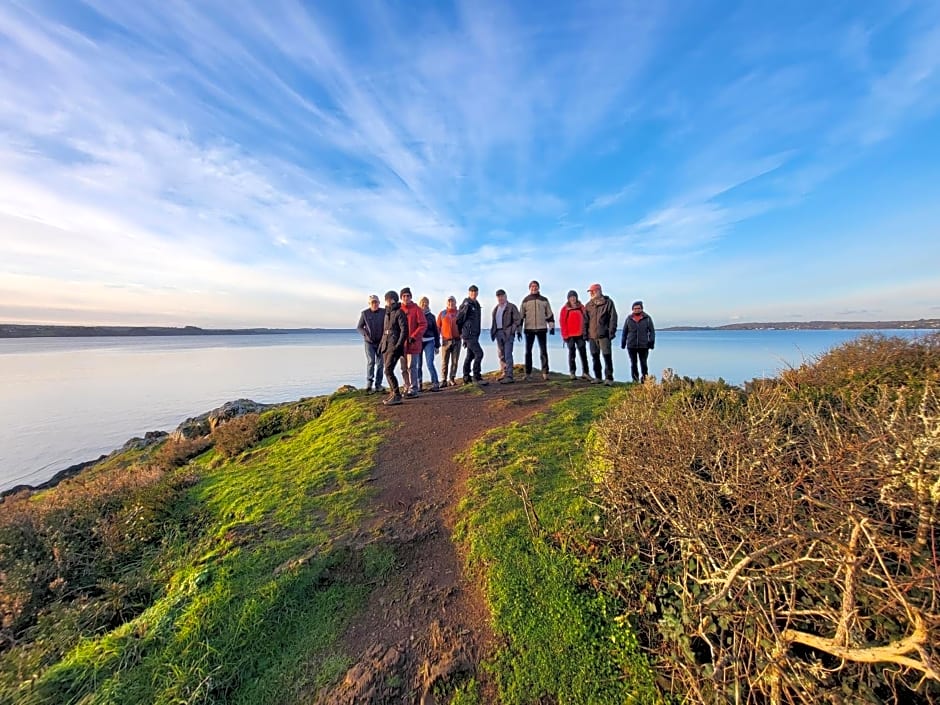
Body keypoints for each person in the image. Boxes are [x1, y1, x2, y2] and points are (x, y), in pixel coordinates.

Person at [583, 283, 618, 386]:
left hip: (604, 335)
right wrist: (585, 333)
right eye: (590, 292)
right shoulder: (588, 305)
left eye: (593, 291)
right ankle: (598, 377)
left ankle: (609, 378)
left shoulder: (608, 303)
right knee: (595, 357)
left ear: (599, 291)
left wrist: (611, 332)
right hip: (592, 336)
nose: (591, 293)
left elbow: (613, 318)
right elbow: (585, 321)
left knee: (607, 357)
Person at [519, 280, 555, 381]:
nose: (534, 288)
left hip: (541, 328)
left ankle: (545, 372)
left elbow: (549, 314)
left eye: (535, 286)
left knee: (543, 351)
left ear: (538, 288)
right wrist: (518, 330)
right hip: (529, 329)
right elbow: (521, 316)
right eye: (532, 287)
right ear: (529, 288)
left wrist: (551, 326)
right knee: (528, 352)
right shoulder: (525, 300)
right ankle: (528, 373)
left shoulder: (544, 300)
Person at [379, 290, 409, 406]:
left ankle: (397, 394)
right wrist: (381, 344)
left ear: (392, 300)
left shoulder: (399, 313)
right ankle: (393, 393)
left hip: (394, 346)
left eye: (387, 299)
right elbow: (385, 331)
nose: (385, 302)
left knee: (388, 370)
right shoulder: (387, 313)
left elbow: (404, 330)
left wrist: (398, 345)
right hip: (386, 345)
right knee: (387, 370)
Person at [456, 284, 487, 385]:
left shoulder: (476, 304)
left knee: (470, 355)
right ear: (469, 293)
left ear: (477, 293)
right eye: (472, 291)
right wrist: (462, 333)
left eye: (475, 291)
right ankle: (476, 376)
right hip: (468, 334)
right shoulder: (467, 304)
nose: (474, 293)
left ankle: (466, 376)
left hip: (475, 334)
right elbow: (459, 319)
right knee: (479, 354)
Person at [399, 287, 427, 397]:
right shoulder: (399, 309)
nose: (406, 298)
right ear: (401, 297)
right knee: (403, 367)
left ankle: (414, 388)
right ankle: (406, 386)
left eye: (408, 296)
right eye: (404, 296)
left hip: (413, 343)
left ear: (411, 297)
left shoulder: (417, 309)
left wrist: (414, 336)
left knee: (412, 367)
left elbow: (423, 324)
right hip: (401, 344)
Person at [490, 289, 522, 384]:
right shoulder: (496, 309)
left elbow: (518, 320)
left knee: (508, 354)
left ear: (505, 296)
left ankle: (509, 376)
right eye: (498, 296)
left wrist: (512, 330)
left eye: (502, 296)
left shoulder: (511, 307)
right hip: (498, 333)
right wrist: (493, 332)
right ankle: (504, 372)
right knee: (501, 355)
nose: (500, 298)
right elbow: (494, 322)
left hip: (508, 334)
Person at [559, 290, 590, 381]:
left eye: (574, 296)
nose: (572, 298)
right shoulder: (565, 309)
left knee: (583, 353)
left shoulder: (582, 307)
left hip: (580, 334)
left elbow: (586, 319)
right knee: (572, 354)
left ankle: (585, 372)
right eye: (571, 297)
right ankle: (572, 372)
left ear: (576, 297)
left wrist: (586, 332)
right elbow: (562, 322)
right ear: (568, 298)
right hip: (570, 335)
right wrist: (565, 335)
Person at [357, 294, 385, 393]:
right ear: (369, 303)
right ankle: (369, 385)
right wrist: (365, 335)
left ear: (379, 303)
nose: (375, 304)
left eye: (376, 302)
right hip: (369, 342)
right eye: (373, 302)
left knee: (381, 364)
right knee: (371, 362)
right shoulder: (364, 313)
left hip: (381, 342)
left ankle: (378, 385)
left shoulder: (384, 312)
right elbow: (359, 327)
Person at [621, 300, 655, 383]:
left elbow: (652, 331)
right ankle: (635, 380)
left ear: (642, 309)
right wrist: (623, 343)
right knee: (633, 363)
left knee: (644, 363)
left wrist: (651, 342)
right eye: (635, 308)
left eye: (638, 308)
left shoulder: (647, 318)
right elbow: (624, 331)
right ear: (632, 309)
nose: (637, 310)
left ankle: (645, 380)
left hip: (643, 345)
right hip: (631, 345)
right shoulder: (629, 319)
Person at [418, 296, 441, 392]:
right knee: (418, 364)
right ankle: (418, 384)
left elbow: (436, 332)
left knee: (429, 363)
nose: (424, 305)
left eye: (426, 303)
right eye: (422, 303)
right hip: (418, 341)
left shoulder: (431, 317)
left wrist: (437, 345)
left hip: (429, 341)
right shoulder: (417, 315)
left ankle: (435, 383)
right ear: (420, 304)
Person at [437, 296, 461, 387]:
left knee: (455, 361)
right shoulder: (442, 314)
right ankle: (443, 380)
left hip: (457, 340)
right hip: (445, 341)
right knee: (444, 361)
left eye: (453, 302)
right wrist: (437, 340)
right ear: (447, 303)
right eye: (449, 302)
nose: (451, 303)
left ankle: (452, 378)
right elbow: (438, 327)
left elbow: (463, 326)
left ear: (455, 303)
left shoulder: (459, 313)